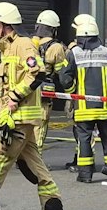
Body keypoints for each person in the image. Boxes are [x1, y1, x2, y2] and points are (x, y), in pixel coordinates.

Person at [0, 2, 65, 210]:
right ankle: (53, 207)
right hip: (15, 116)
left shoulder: (24, 44)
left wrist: (14, 97)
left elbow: (37, 72)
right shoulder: (6, 48)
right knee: (35, 162)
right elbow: (4, 83)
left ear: (7, 24)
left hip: (20, 117)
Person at [66, 14, 107, 183]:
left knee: (84, 140)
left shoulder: (73, 54)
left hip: (84, 109)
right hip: (105, 108)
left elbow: (65, 77)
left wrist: (72, 93)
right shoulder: (106, 52)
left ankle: (85, 175)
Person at [30, 10, 75, 150]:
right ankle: (35, 157)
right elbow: (62, 73)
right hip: (43, 94)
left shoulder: (28, 43)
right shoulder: (56, 47)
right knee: (39, 126)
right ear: (54, 30)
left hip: (26, 91)